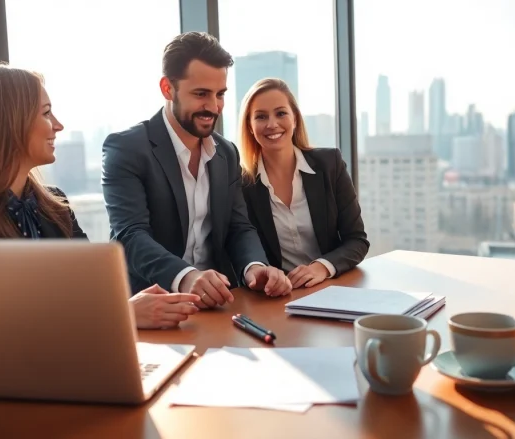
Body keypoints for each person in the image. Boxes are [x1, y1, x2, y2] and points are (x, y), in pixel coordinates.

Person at [0, 64, 199, 329]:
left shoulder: (54, 205)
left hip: (69, 359)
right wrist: (121, 314)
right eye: (46, 113)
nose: (58, 125)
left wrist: (131, 305)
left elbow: (96, 290)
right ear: (7, 122)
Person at [102, 32, 292, 309]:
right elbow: (130, 235)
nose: (213, 107)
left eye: (220, 94)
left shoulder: (226, 152)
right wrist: (187, 277)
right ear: (168, 89)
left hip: (219, 304)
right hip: (152, 305)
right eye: (201, 94)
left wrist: (254, 267)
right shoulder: (127, 148)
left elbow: (238, 227)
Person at [238, 78, 369, 288]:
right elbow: (242, 245)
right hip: (280, 296)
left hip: (332, 285)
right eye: (261, 116)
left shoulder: (330, 164)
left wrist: (322, 267)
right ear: (250, 127)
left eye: (281, 113)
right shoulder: (242, 184)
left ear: (295, 119)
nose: (272, 124)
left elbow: (357, 240)